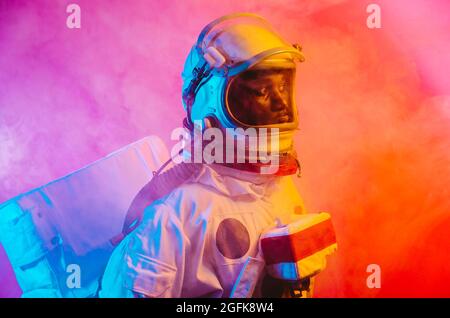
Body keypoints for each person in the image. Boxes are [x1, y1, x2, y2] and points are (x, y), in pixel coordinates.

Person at [99, 13, 332, 298]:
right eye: (260, 90)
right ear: (212, 100)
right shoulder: (178, 213)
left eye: (283, 87)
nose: (280, 104)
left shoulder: (281, 191)